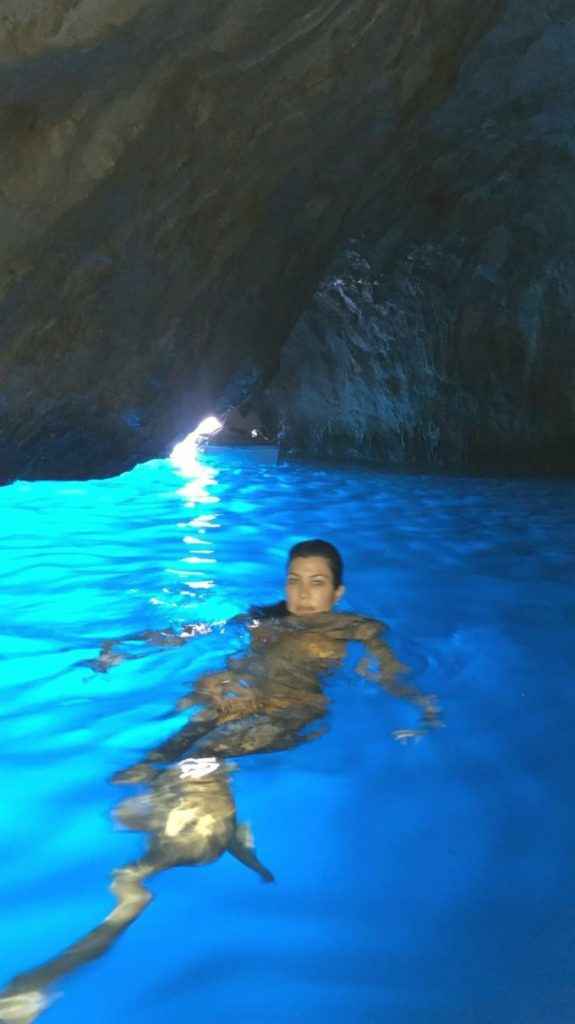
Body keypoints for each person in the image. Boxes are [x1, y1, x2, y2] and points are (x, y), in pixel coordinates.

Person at [0, 540, 439, 1022]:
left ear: (338, 592)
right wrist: (123, 649)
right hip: (226, 704)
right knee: (143, 770)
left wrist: (421, 706)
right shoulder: (264, 618)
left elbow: (391, 672)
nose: (303, 593)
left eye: (317, 583)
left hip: (287, 712)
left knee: (198, 766)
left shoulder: (356, 627)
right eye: (294, 580)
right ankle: (201, 837)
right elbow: (188, 632)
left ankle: (140, 884)